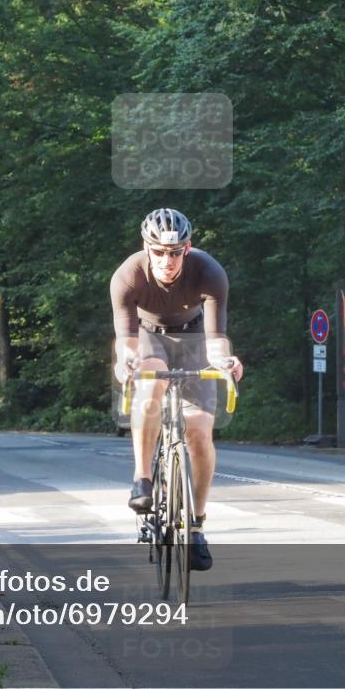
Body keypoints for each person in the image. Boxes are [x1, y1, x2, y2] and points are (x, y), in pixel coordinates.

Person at [110, 208, 243, 571]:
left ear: (188, 248)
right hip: (147, 337)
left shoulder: (209, 272)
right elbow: (127, 343)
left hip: (194, 337)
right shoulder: (128, 276)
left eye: (175, 252)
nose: (166, 261)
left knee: (200, 432)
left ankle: (196, 524)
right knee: (149, 383)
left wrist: (226, 362)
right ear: (146, 247)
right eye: (158, 252)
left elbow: (216, 341)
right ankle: (142, 479)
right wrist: (126, 363)